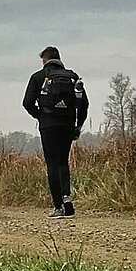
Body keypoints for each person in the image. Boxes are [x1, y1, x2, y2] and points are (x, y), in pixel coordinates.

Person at [23, 46, 88, 219]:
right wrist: (78, 126)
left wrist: (41, 117)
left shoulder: (37, 77)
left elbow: (27, 102)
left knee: (52, 164)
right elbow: (84, 104)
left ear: (44, 60)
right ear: (59, 59)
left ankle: (58, 207)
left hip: (48, 126)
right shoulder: (72, 77)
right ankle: (67, 201)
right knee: (63, 162)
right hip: (67, 125)